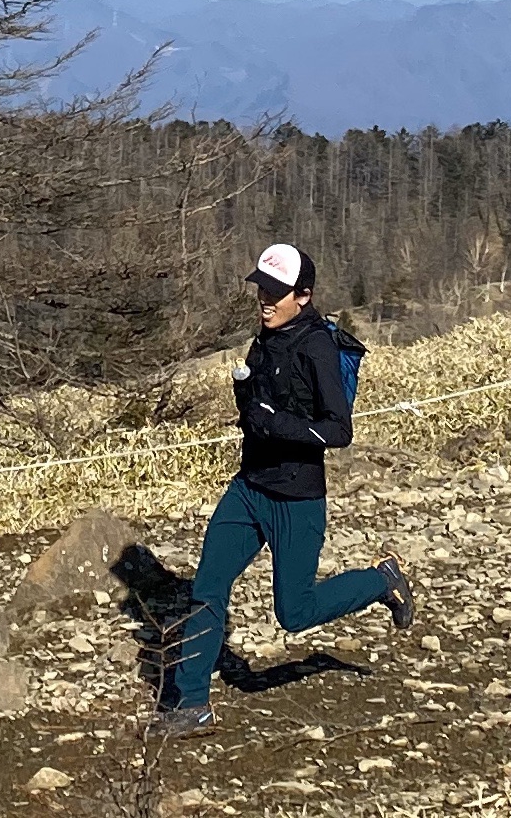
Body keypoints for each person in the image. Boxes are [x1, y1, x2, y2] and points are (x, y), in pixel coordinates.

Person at [155, 243, 416, 738]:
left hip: (296, 497)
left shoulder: (316, 345)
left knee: (293, 613)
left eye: (276, 293)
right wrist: (247, 399)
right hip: (249, 487)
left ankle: (380, 583)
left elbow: (338, 431)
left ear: (304, 295)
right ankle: (191, 705)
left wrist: (278, 425)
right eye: (262, 289)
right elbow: (260, 404)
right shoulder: (265, 337)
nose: (265, 300)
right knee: (207, 587)